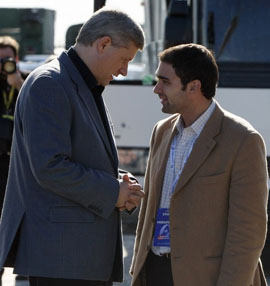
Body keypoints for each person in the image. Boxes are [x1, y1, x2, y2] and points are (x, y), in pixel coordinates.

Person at [0, 8, 145, 286]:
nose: (124, 70)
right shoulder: (50, 84)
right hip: (63, 259)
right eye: (124, 59)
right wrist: (113, 191)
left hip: (73, 259)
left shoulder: (74, 82)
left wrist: (119, 183)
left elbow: (78, 157)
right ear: (103, 44)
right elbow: (50, 167)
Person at [130, 43, 268, 286]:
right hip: (155, 272)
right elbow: (149, 213)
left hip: (206, 279)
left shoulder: (243, 140)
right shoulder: (161, 132)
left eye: (165, 81)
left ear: (194, 86)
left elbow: (248, 233)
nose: (156, 89)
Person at [0, 36, 25, 284]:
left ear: (16, 59)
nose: (3, 63)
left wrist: (18, 83)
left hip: (16, 165)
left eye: (8, 58)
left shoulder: (27, 82)